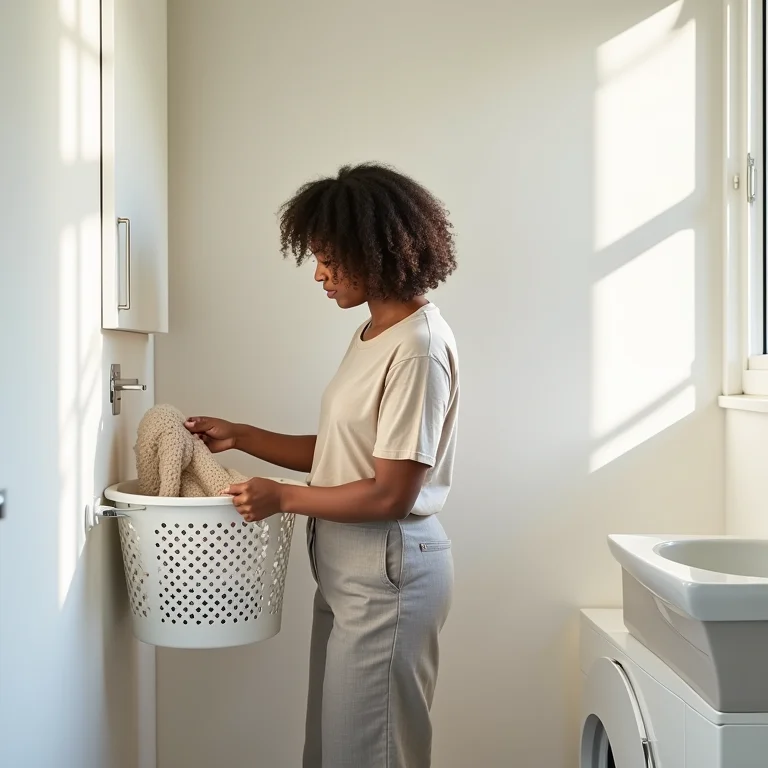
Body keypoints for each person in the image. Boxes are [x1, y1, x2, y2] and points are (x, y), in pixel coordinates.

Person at [184, 163, 459, 768]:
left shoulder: (417, 349)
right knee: (335, 750)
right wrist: (244, 436)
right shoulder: (375, 333)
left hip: (385, 566)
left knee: (368, 755)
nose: (319, 274)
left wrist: (281, 497)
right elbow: (347, 452)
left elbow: (390, 493)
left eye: (330, 259)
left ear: (374, 252)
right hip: (347, 564)